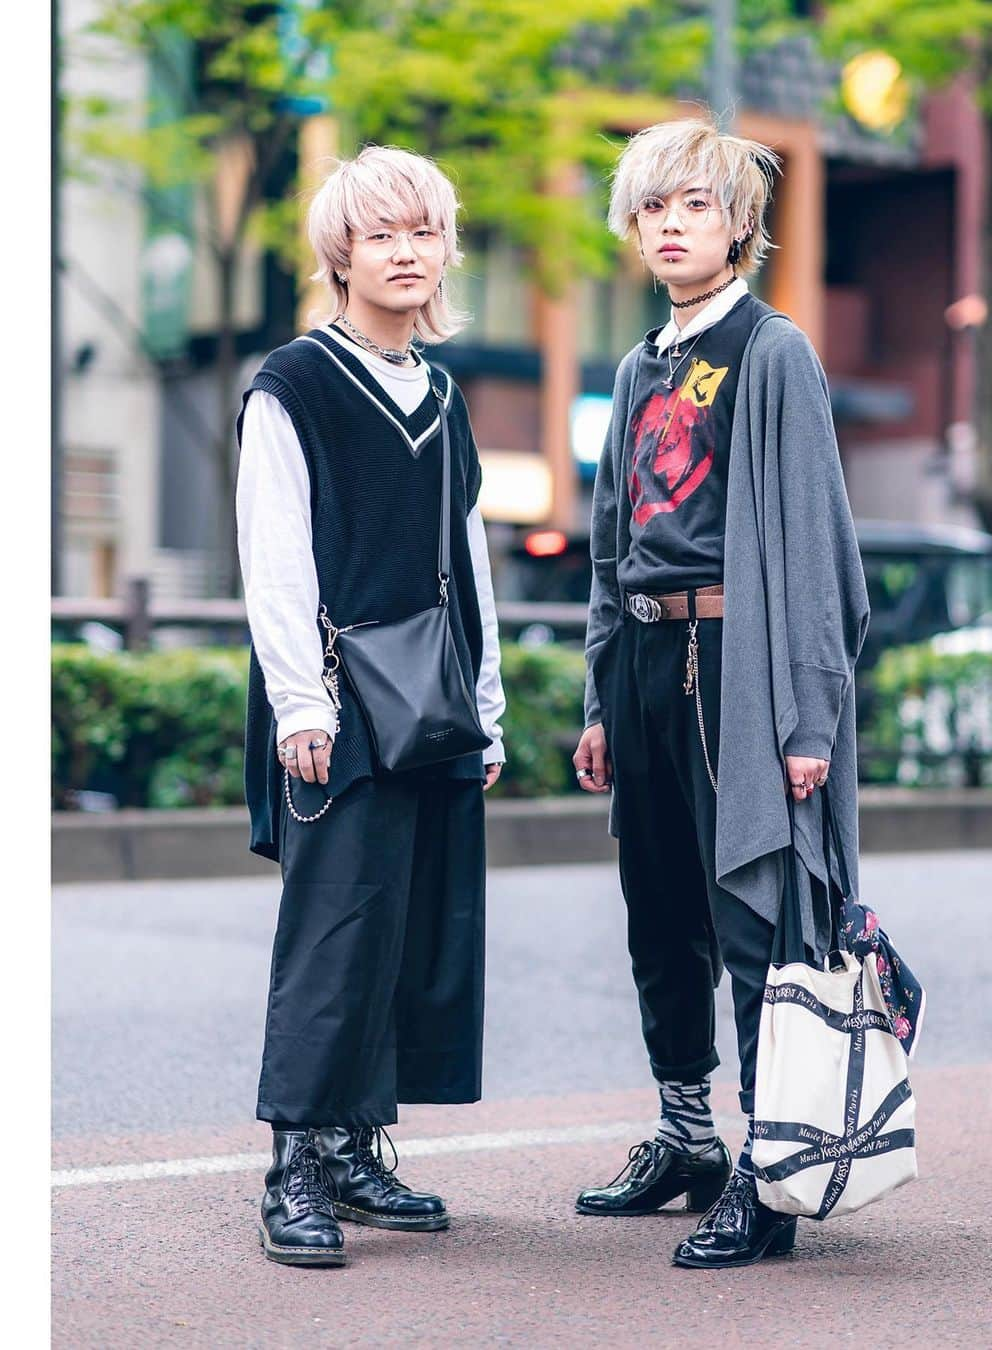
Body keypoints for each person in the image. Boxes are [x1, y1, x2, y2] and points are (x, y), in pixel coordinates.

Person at [572, 116, 869, 1270]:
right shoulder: (638, 364)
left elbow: (815, 547)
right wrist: (601, 695)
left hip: (733, 667)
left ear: (740, 226)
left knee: (750, 918)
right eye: (651, 209)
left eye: (692, 206)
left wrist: (807, 718)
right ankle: (688, 1136)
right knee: (660, 913)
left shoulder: (772, 349)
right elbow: (611, 545)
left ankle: (768, 1168)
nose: (669, 227)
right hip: (646, 664)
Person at [236, 145, 506, 1267]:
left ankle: (355, 1150)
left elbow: (469, 550)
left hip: (429, 702)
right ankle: (294, 1161)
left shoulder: (442, 393)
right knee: (334, 928)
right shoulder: (292, 383)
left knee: (406, 926)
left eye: (424, 231)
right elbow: (275, 549)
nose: (406, 251)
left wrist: (485, 704)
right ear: (340, 253)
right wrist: (300, 702)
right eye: (382, 232)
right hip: (336, 702)